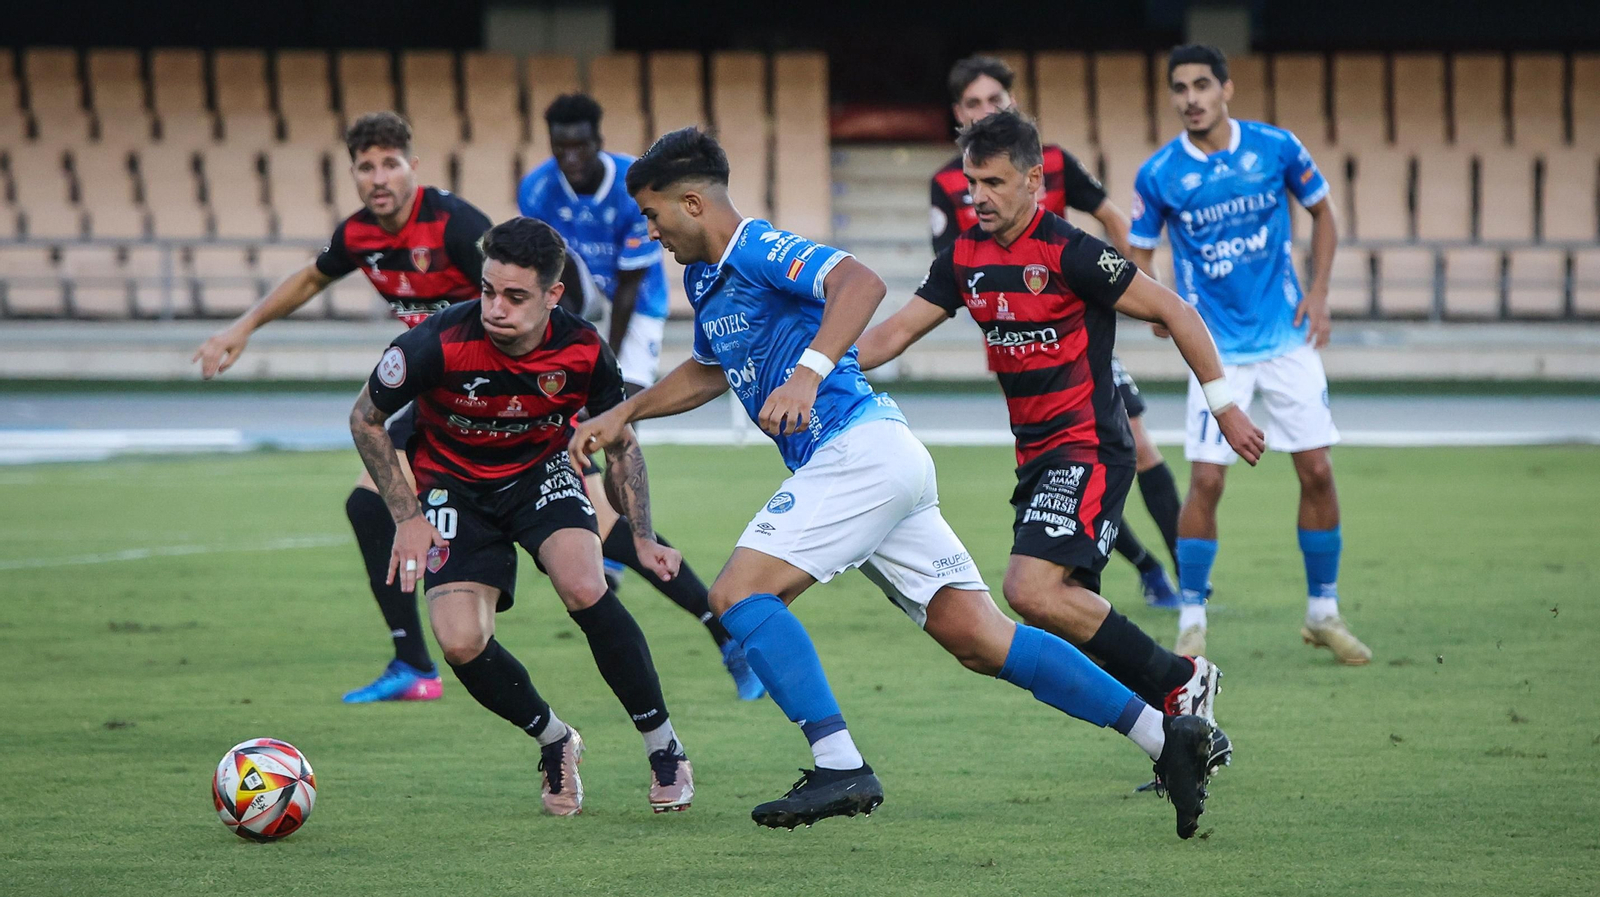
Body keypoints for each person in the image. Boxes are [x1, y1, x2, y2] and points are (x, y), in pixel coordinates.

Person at [571, 126, 1227, 839]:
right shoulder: (705, 278)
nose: (650, 228)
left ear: (692, 203)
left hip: (858, 453)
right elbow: (708, 369)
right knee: (979, 637)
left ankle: (839, 761)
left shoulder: (758, 246)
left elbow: (860, 282)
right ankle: (1168, 737)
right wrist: (626, 411)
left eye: (651, 213)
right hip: (878, 466)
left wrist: (808, 371)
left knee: (737, 592)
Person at [860, 103, 1259, 772]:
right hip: (1036, 457)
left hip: (1090, 446)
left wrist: (1225, 408)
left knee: (1030, 589)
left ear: (1032, 181)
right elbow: (891, 335)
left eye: (991, 183)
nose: (976, 196)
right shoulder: (962, 258)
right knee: (1069, 608)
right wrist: (813, 365)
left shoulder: (1070, 252)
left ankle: (1179, 678)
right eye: (970, 183)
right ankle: (1184, 728)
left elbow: (1175, 309)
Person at [350, 216, 695, 815]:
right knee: (460, 642)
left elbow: (622, 443)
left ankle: (664, 747)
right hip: (454, 491)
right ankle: (554, 738)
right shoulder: (433, 343)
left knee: (585, 584)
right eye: (488, 291)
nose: (496, 308)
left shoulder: (584, 348)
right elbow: (365, 419)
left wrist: (640, 535)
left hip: (539, 476)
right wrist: (406, 515)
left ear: (552, 295)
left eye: (515, 297)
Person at [194, 112, 503, 703]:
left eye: (390, 163)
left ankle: (717, 619)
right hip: (437, 394)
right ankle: (413, 663)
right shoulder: (360, 234)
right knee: (369, 505)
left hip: (491, 394)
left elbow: (514, 286)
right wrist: (243, 327)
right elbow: (311, 279)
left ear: (413, 166)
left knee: (599, 529)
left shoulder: (457, 225)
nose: (378, 176)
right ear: (354, 174)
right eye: (366, 166)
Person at [1126, 45, 1371, 663]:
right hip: (1215, 350)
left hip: (1287, 338)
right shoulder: (1158, 174)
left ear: (1227, 88)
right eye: (1180, 87)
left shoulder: (1277, 147)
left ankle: (1323, 612)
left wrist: (1318, 292)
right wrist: (1161, 306)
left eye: (1202, 84)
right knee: (1206, 481)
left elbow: (1324, 214)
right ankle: (1192, 617)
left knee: (1316, 469)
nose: (1191, 98)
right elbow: (1139, 251)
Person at [518, 94, 763, 700]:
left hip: (633, 320)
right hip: (571, 318)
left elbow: (629, 284)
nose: (570, 157)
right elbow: (555, 272)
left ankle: (620, 549)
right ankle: (629, 558)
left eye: (581, 143)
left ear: (598, 139)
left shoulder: (638, 190)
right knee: (604, 494)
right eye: (560, 145)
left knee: (609, 452)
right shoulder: (538, 191)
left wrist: (601, 381)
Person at [933, 55, 1184, 607]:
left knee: (1131, 444)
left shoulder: (1051, 162)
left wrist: (1140, 284)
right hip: (1017, 344)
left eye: (994, 100)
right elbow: (954, 267)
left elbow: (1116, 219)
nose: (985, 110)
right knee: (1065, 468)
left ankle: (1188, 575)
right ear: (958, 113)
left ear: (1012, 103)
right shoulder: (949, 182)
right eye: (972, 103)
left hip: (1071, 328)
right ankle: (1144, 566)